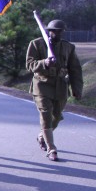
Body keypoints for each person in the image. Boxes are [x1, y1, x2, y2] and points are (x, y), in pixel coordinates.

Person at [26, 19, 83, 161]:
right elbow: (29, 64)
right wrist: (44, 63)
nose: (56, 34)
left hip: (60, 86)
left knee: (56, 117)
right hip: (42, 85)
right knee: (46, 114)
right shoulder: (37, 44)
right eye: (53, 31)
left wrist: (77, 88)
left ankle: (42, 136)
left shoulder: (68, 47)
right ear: (48, 31)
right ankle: (51, 148)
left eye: (59, 31)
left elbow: (75, 69)